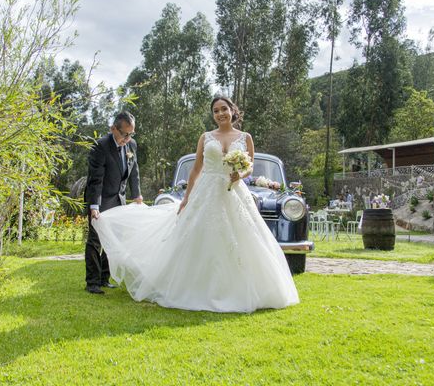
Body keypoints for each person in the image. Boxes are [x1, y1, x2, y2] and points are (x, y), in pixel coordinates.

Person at [93, 97, 298, 312]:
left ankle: (240, 289)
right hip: (206, 191)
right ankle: (192, 287)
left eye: (224, 109)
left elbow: (251, 166)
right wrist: (186, 198)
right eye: (216, 111)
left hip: (235, 191)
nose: (220, 114)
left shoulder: (245, 137)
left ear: (232, 111)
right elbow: (196, 169)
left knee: (243, 239)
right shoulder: (206, 137)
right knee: (199, 237)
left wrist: (241, 174)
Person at [83, 111, 143, 294]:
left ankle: (104, 278)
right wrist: (94, 206)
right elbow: (96, 179)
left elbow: (134, 172)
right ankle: (92, 282)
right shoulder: (100, 146)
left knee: (113, 240)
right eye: (125, 133)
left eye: (131, 133)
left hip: (119, 200)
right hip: (100, 199)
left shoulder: (131, 145)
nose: (128, 138)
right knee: (95, 241)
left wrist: (137, 195)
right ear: (113, 129)